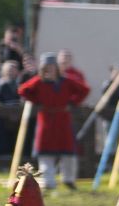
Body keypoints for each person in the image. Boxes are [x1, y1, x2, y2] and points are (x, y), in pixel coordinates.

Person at [19, 53, 88, 190]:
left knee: (68, 153)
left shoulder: (67, 81)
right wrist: (37, 101)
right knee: (45, 154)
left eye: (51, 67)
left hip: (63, 120)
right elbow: (23, 90)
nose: (49, 70)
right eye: (46, 67)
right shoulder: (38, 81)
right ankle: (48, 182)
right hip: (46, 121)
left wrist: (73, 102)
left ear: (56, 67)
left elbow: (84, 90)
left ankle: (68, 180)